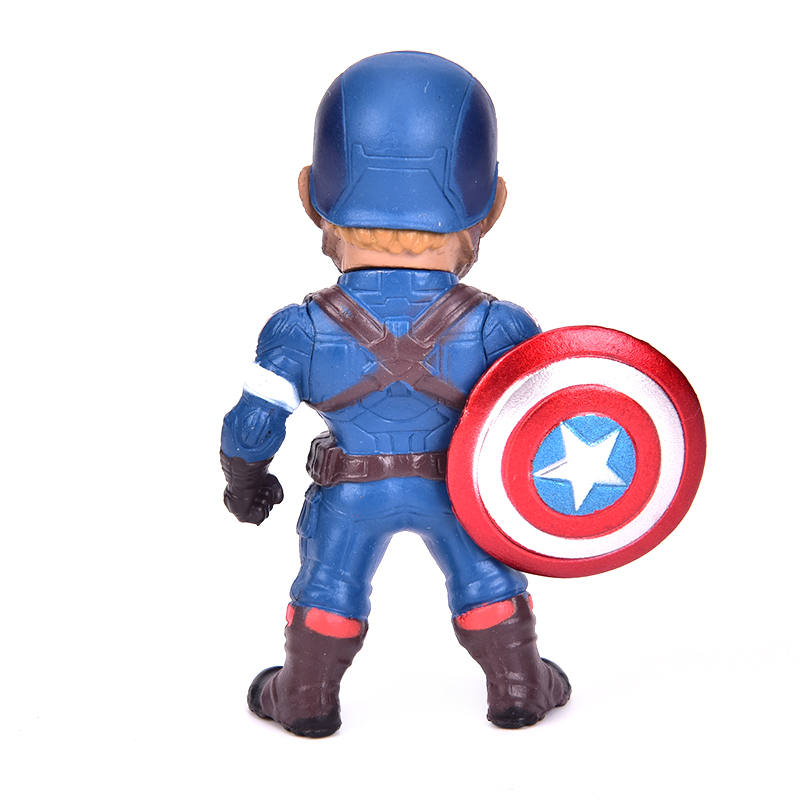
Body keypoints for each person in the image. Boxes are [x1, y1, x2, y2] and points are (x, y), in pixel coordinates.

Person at [220, 51, 570, 737]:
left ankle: (305, 695)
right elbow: (546, 420)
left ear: (309, 196)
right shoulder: (500, 326)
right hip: (458, 493)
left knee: (328, 584)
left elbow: (251, 427)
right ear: (494, 205)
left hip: (351, 489)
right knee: (486, 580)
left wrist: (244, 484)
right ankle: (519, 684)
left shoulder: (300, 329)